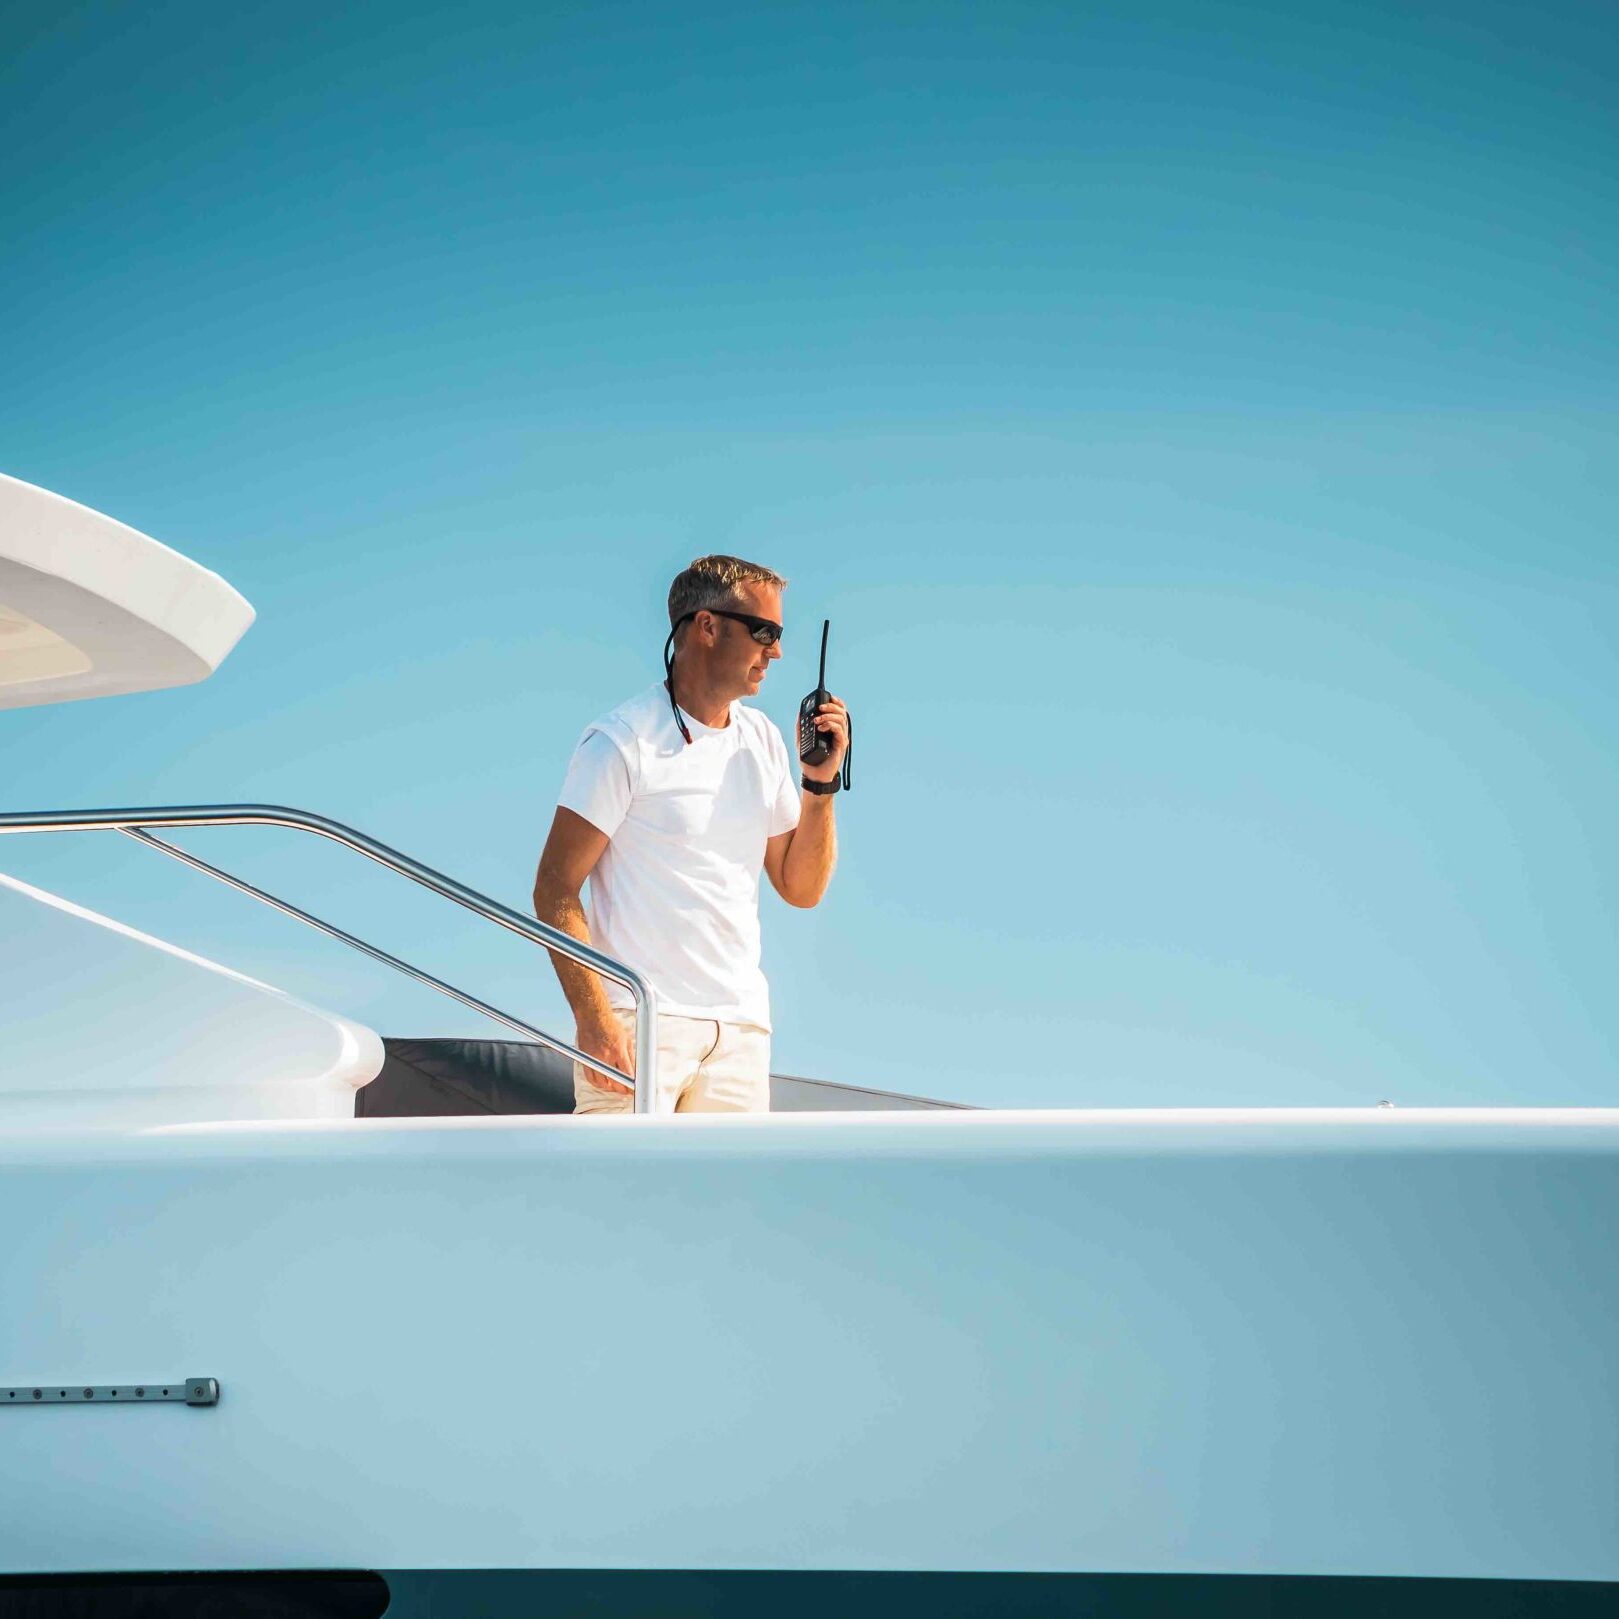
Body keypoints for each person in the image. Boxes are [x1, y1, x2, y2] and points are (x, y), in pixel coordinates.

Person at [532, 555, 849, 1114]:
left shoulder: (764, 740)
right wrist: (595, 1021)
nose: (775, 651)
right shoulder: (621, 741)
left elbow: (801, 889)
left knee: (732, 1205)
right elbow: (554, 890)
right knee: (617, 1201)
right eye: (764, 632)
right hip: (641, 1022)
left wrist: (819, 786)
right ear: (706, 627)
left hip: (740, 1031)